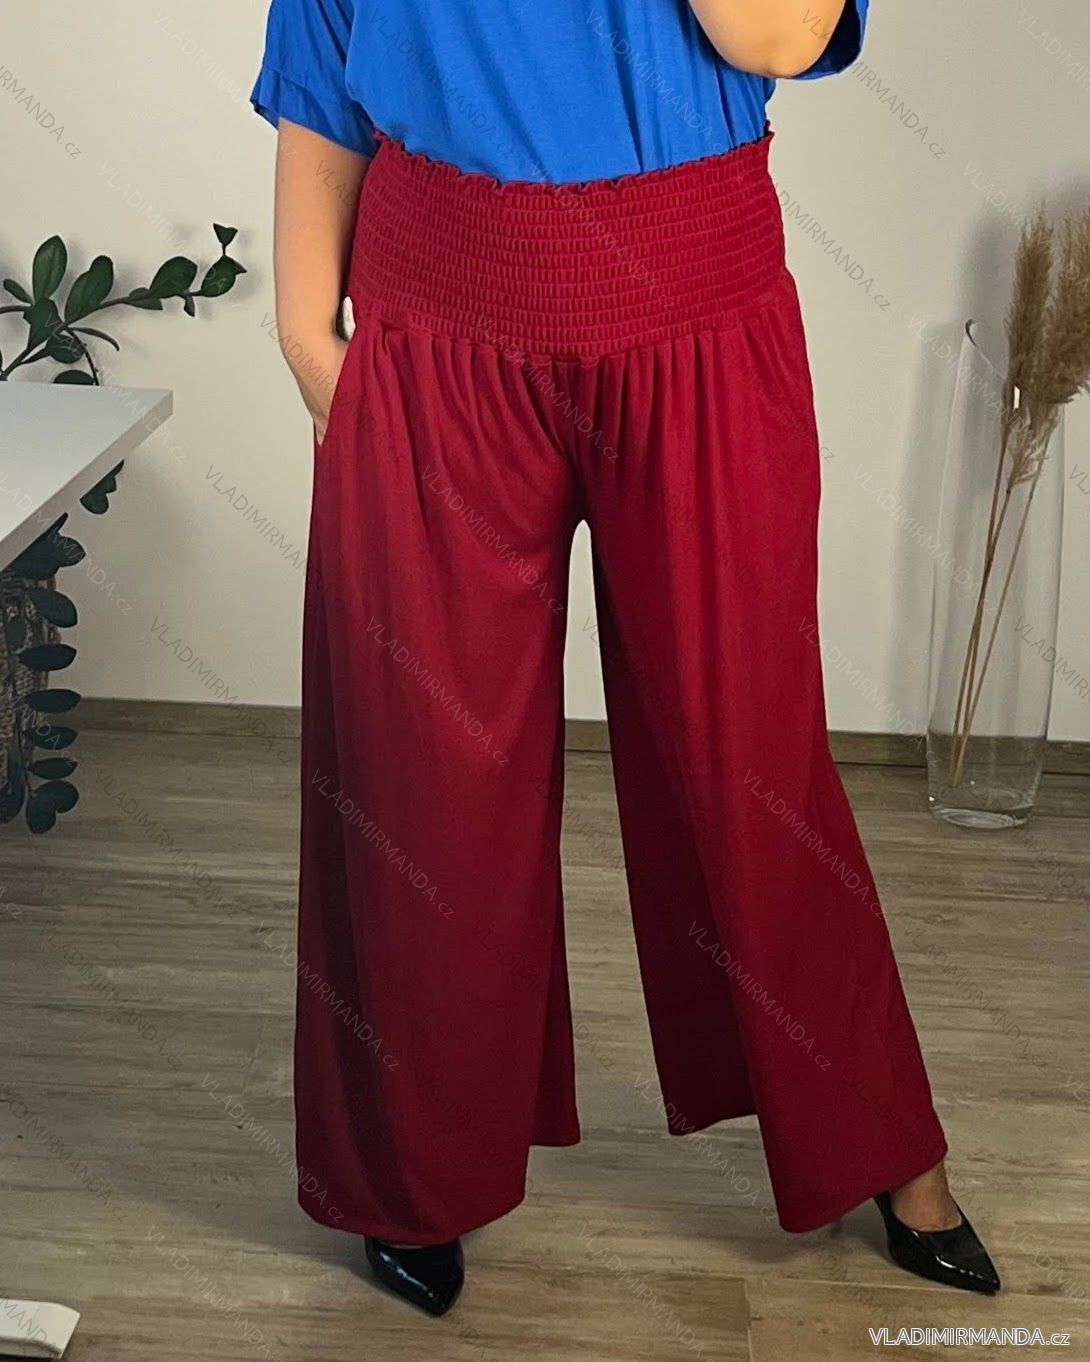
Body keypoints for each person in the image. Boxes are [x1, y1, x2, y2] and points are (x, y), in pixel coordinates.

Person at [250, 0, 1000, 1317]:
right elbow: (322, 67)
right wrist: (308, 333)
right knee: (421, 774)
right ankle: (410, 1176)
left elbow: (776, 39)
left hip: (693, 295)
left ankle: (881, 1143)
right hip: (435, 310)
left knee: (749, 755)